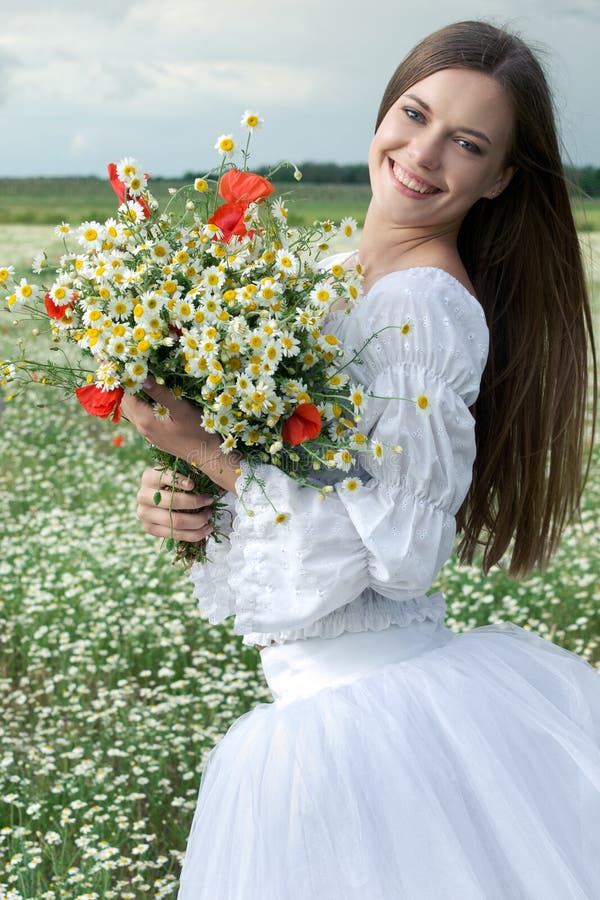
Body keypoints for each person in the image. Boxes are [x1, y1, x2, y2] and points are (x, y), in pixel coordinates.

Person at [121, 20, 600, 900]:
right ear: (384, 108)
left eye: (467, 143)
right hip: (312, 708)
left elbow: (404, 555)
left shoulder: (419, 307)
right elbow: (314, 490)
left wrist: (207, 454)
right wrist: (185, 493)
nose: (422, 153)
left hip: (377, 718)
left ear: (497, 179)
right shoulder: (332, 276)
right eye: (414, 114)